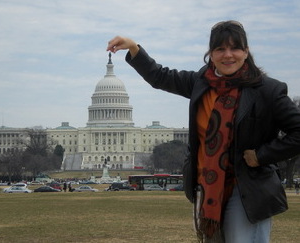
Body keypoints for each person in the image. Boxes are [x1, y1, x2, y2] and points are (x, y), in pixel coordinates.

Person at [107, 20, 300, 243]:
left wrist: (262, 156)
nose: (228, 55)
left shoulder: (268, 90)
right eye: (220, 49)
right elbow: (160, 76)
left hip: (246, 188)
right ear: (211, 54)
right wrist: (134, 48)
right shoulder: (201, 83)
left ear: (246, 52)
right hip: (208, 188)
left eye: (235, 48)